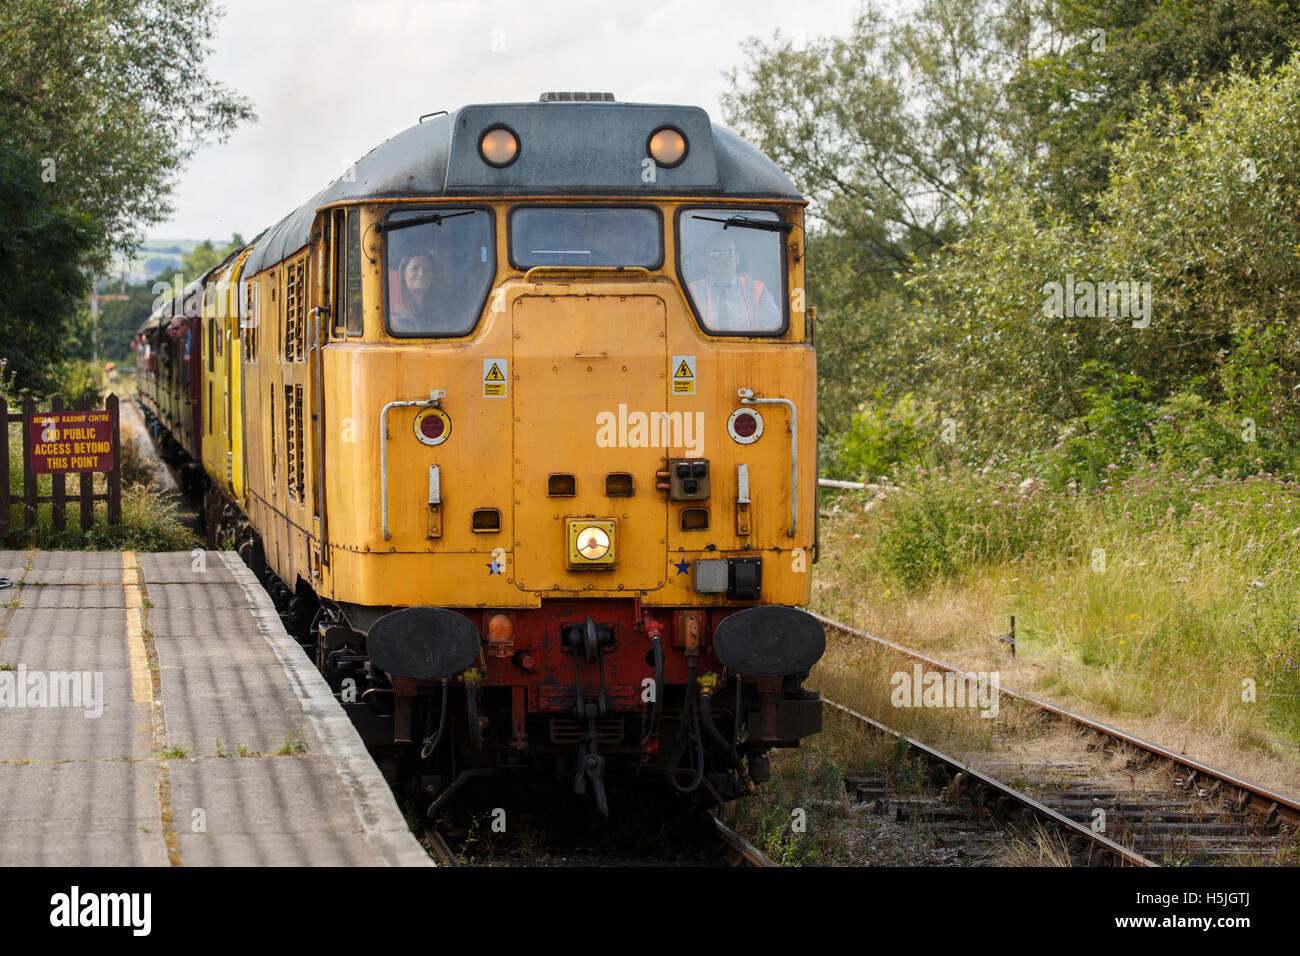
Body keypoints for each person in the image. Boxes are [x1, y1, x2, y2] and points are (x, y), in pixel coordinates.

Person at [688, 234, 780, 332]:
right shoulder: (692, 291)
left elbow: (774, 329)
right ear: (706, 260)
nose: (722, 258)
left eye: (728, 253)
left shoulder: (758, 291)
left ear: (737, 258)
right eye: (715, 254)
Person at [391, 251, 440, 333]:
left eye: (427, 269)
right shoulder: (396, 306)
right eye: (415, 268)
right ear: (403, 273)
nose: (421, 274)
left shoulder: (436, 307)